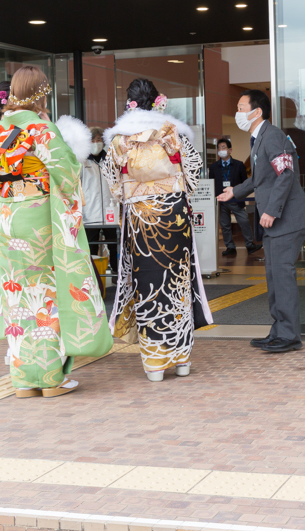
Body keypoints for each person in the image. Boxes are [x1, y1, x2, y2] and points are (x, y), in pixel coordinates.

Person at [0, 66, 112, 398]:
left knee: (19, 296)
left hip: (7, 221)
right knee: (45, 298)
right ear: (41, 93)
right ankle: (50, 379)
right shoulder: (42, 129)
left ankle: (24, 380)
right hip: (39, 222)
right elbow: (66, 176)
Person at [102, 78, 213, 382]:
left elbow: (113, 182)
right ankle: (182, 359)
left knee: (147, 283)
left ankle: (154, 363)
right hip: (173, 213)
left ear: (130, 103)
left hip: (141, 217)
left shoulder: (119, 139)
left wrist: (133, 191)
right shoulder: (171, 133)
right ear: (157, 101)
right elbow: (193, 171)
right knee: (177, 282)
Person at [217, 90, 305, 354]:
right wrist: (235, 191)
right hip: (276, 223)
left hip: (287, 219)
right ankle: (279, 331)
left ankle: (289, 336)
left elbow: (285, 174)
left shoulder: (272, 136)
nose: (238, 113)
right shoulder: (259, 138)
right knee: (274, 277)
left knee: (282, 276)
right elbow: (260, 179)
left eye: (241, 107)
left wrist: (271, 210)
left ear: (256, 111)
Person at [209, 139, 259, 256]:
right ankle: (230, 247)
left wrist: (240, 194)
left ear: (230, 150)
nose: (221, 150)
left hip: (236, 199)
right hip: (221, 201)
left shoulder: (239, 165)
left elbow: (244, 183)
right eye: (219, 148)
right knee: (225, 225)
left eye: (224, 147)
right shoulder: (214, 167)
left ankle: (250, 244)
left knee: (244, 221)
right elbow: (212, 183)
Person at [81, 126, 119, 277]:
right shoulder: (81, 161)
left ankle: (117, 274)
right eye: (92, 140)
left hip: (111, 213)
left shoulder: (110, 160)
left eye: (98, 140)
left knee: (115, 247)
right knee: (91, 248)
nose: (96, 143)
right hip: (90, 213)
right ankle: (93, 278)